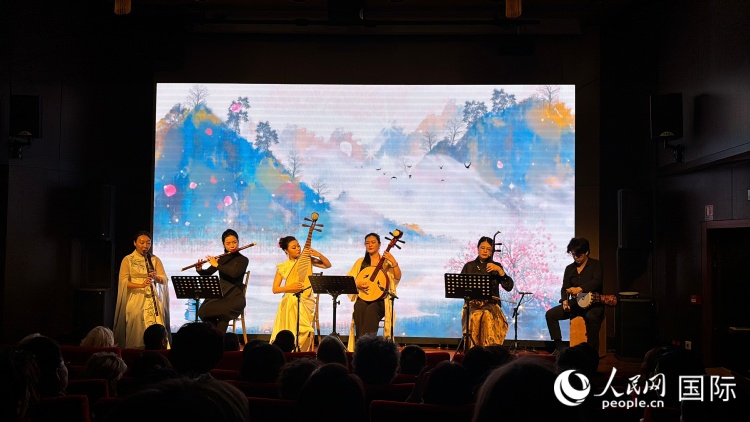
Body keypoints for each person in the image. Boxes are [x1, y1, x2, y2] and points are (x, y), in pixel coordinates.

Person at [270, 235, 331, 352]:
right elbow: (275, 289)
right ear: (286, 251)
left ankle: (300, 348)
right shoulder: (283, 267)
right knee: (290, 299)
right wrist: (290, 287)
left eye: (298, 246)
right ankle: (289, 346)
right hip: (290, 299)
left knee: (293, 302)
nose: (298, 249)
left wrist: (318, 254)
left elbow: (327, 265)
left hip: (306, 299)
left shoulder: (307, 260)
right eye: (294, 247)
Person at [545, 237, 604, 354]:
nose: (576, 257)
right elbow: (565, 288)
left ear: (586, 252)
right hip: (576, 303)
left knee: (592, 317)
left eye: (578, 255)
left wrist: (580, 289)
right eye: (573, 255)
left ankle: (591, 352)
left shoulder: (596, 265)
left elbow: (597, 282)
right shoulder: (569, 268)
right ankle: (559, 347)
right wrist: (565, 301)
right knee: (550, 314)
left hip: (593, 304)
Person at [114, 230, 170, 349]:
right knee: (136, 315)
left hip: (152, 297)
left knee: (158, 317)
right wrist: (141, 285)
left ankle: (158, 349)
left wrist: (156, 277)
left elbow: (164, 279)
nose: (145, 246)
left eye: (148, 243)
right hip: (135, 296)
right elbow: (123, 281)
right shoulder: (128, 259)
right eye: (142, 242)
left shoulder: (154, 259)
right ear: (135, 243)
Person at [459, 236, 513, 347]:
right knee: (475, 315)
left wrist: (500, 271)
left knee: (487, 315)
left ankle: (489, 350)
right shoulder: (469, 266)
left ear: (492, 251)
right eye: (482, 248)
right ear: (478, 248)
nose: (485, 251)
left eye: (488, 249)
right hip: (473, 304)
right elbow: (460, 288)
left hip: (491, 304)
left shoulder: (496, 266)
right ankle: (472, 350)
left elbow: (508, 287)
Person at [347, 233, 401, 343]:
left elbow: (397, 277)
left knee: (371, 310)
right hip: (363, 298)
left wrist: (394, 262)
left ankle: (364, 345)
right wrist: (357, 284)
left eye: (373, 242)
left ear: (379, 244)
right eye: (367, 243)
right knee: (359, 309)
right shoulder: (361, 262)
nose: (370, 245)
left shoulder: (386, 262)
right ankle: (364, 345)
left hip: (381, 300)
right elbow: (349, 280)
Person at [196, 228, 250, 334]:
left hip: (235, 297)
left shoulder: (243, 260)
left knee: (223, 313)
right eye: (228, 243)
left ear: (238, 242)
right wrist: (200, 269)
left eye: (234, 242)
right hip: (220, 295)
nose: (232, 245)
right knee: (203, 311)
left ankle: (217, 339)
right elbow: (207, 274)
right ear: (223, 244)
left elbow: (234, 273)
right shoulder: (221, 259)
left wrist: (217, 265)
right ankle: (216, 338)